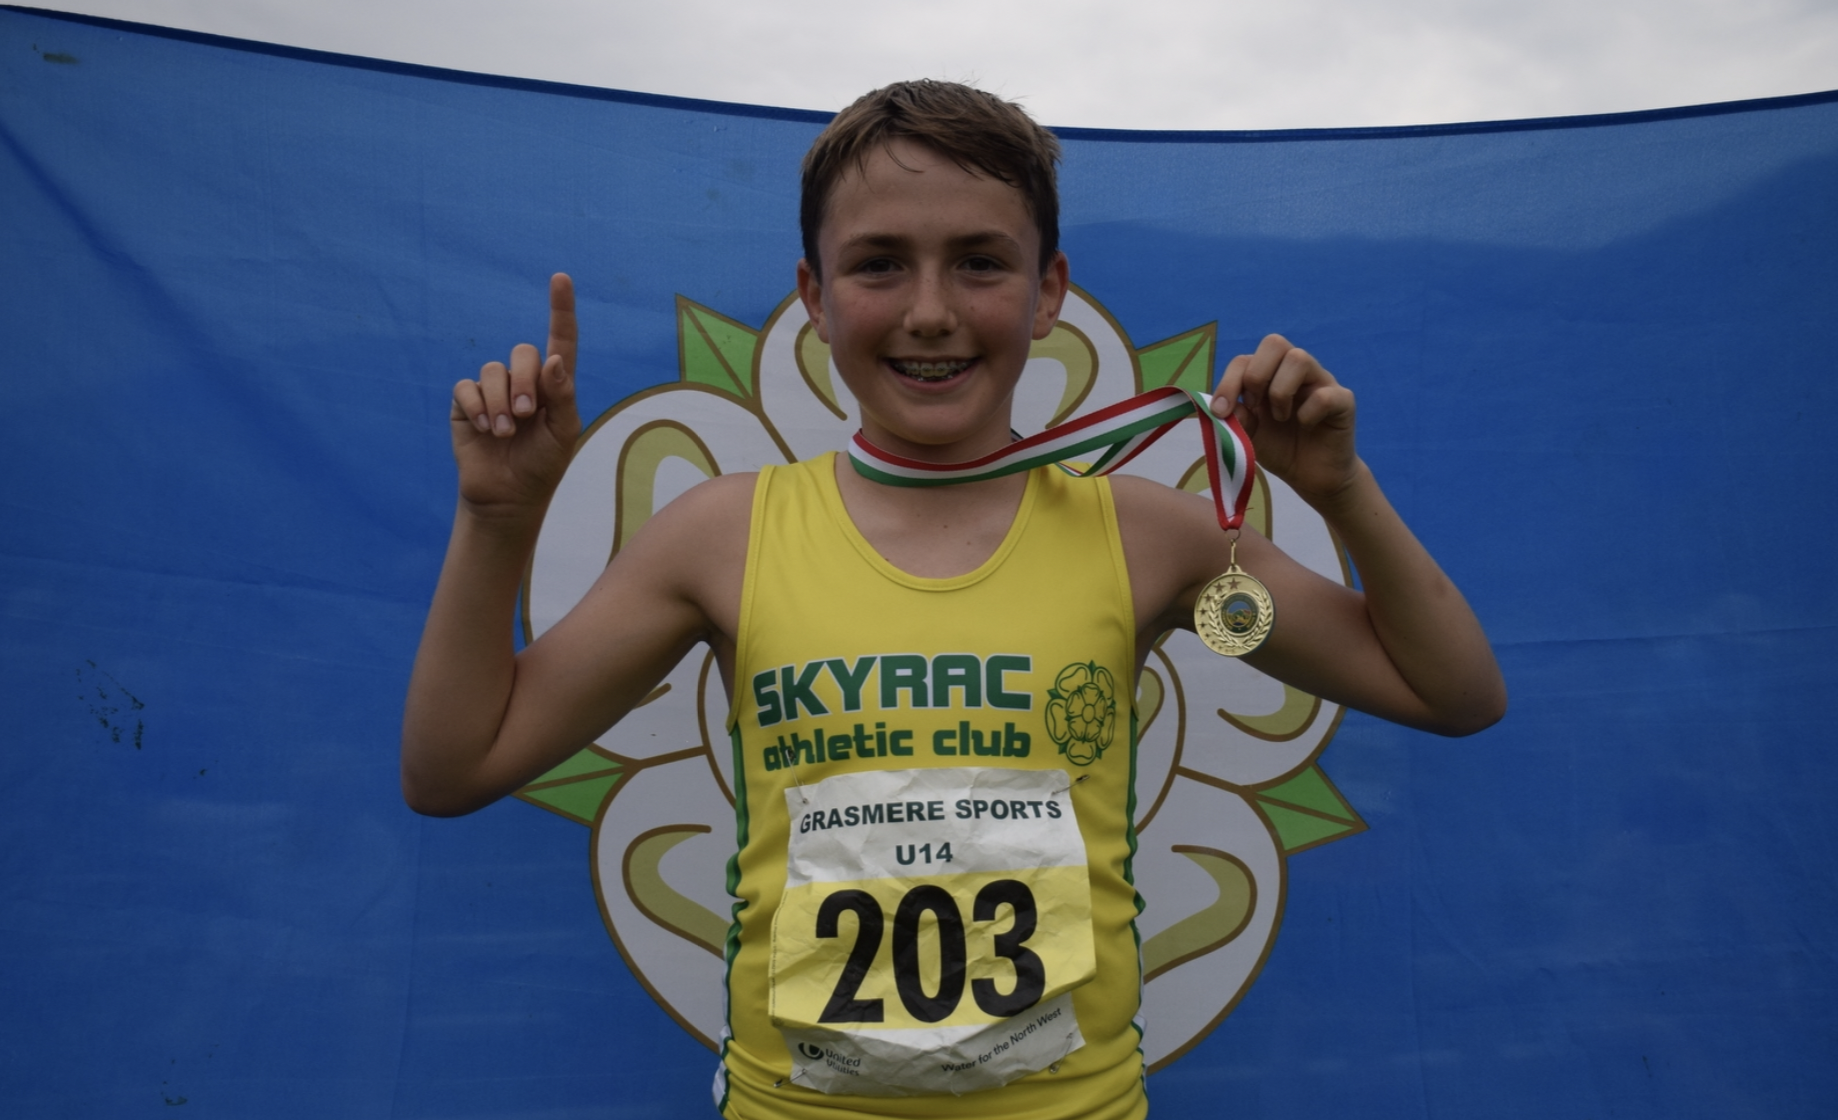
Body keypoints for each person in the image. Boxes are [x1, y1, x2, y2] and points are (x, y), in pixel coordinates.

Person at [402, 80, 1505, 1120]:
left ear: (1048, 291)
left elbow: (1451, 691)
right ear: (812, 299)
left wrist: (1340, 491)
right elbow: (453, 768)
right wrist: (497, 522)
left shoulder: (1146, 532)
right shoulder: (723, 532)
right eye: (877, 264)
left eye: (979, 262)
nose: (929, 310)